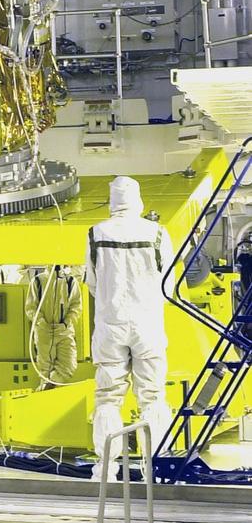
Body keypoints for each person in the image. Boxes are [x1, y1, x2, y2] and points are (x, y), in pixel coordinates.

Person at [85, 176, 174, 481]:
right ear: (137, 200)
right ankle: (156, 470)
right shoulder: (157, 233)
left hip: (110, 325)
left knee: (108, 397)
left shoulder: (96, 233)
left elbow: (93, 283)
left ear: (112, 201)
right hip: (147, 324)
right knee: (152, 396)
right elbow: (168, 286)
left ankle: (106, 470)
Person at [26, 265, 82, 389]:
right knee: (44, 369)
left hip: (64, 331)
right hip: (44, 331)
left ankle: (48, 385)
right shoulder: (38, 281)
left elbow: (76, 306)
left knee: (69, 366)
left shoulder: (71, 281)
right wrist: (41, 323)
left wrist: (66, 323)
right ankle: (46, 396)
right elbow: (31, 307)